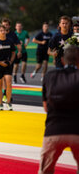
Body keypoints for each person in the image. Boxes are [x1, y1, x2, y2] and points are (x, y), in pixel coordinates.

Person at [39, 45, 79, 174]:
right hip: (77, 131)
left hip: (53, 130)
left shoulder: (50, 76)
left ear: (62, 60)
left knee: (45, 171)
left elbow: (46, 107)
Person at [0, 24, 16, 111]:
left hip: (7, 65)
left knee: (9, 82)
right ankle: (0, 103)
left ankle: (8, 103)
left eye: (4, 30)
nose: (3, 32)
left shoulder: (10, 41)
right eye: (1, 30)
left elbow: (13, 52)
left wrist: (11, 61)